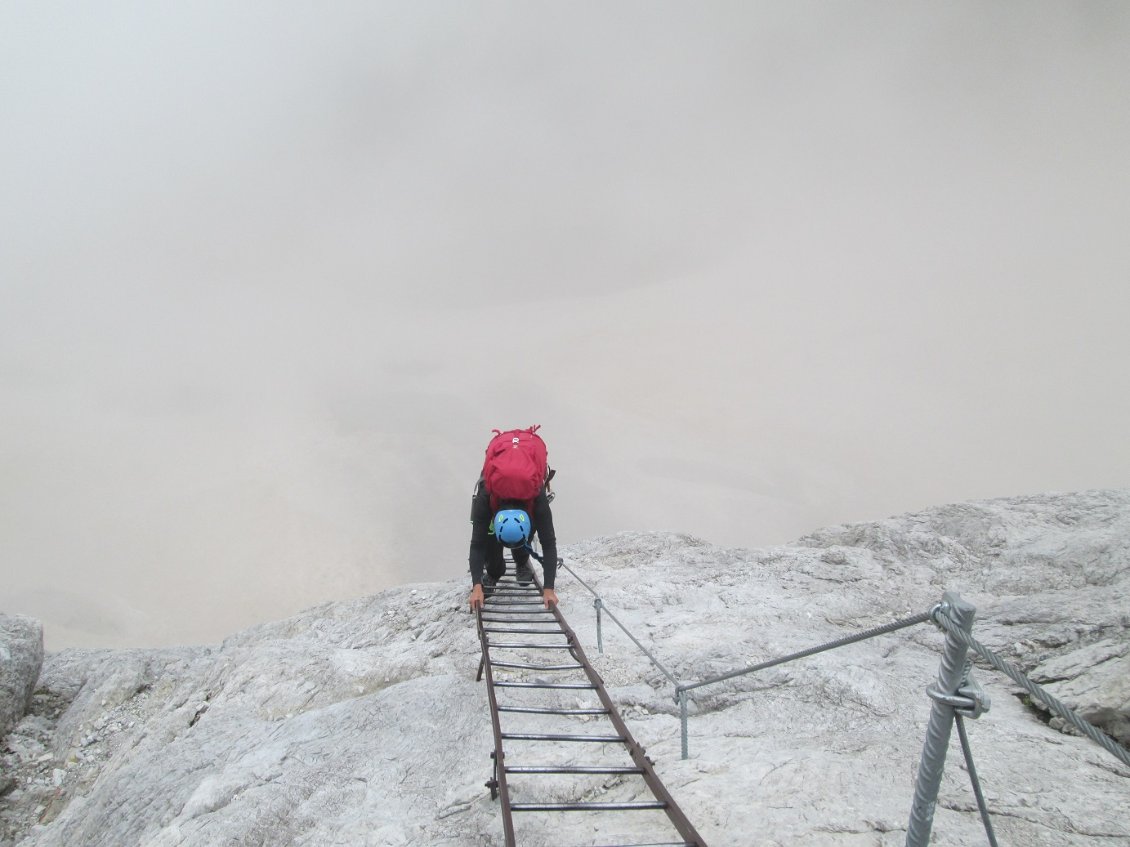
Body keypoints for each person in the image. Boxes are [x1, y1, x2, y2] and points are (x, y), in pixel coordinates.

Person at [468, 477, 558, 611]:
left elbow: (548, 542)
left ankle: (522, 561)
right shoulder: (485, 497)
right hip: (493, 499)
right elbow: (477, 544)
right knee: (490, 546)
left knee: (521, 544)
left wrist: (549, 588)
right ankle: (494, 571)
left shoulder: (537, 497)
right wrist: (477, 586)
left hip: (528, 504)